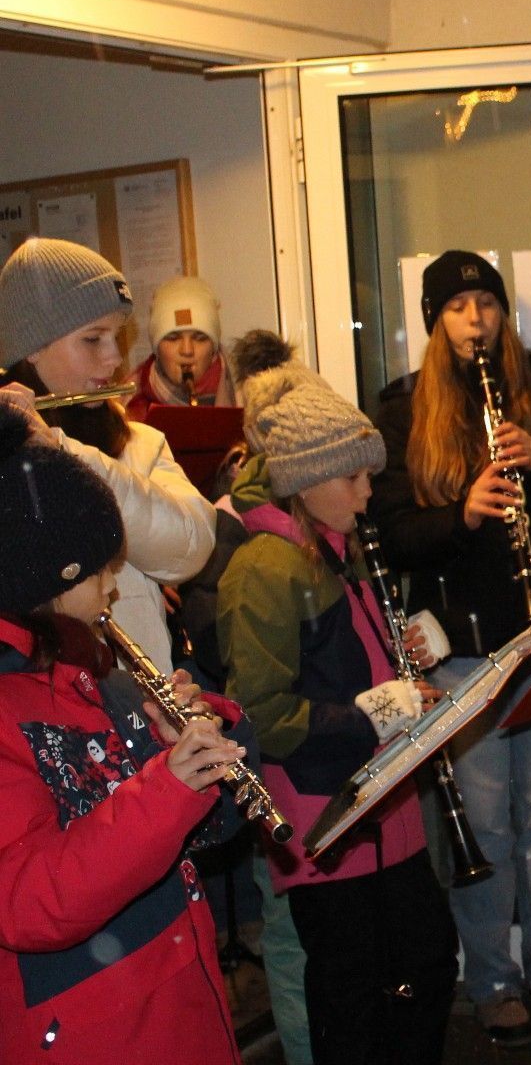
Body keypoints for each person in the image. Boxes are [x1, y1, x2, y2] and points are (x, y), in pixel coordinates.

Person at [370, 249, 531, 1048]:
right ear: (436, 321)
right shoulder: (402, 411)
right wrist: (464, 513)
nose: (476, 320)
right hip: (464, 650)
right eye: (458, 307)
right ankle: (493, 981)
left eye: (488, 303)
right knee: (483, 825)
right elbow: (394, 539)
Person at [218, 350, 458, 1063]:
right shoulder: (265, 566)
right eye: (354, 480)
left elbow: (348, 663)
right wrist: (377, 712)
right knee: (353, 1001)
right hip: (330, 818)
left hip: (385, 808)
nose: (365, 497)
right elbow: (259, 713)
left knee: (425, 967)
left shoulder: (332, 547)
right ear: (307, 477)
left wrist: (401, 656)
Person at [0, 403, 245, 1063]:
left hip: (171, 1001)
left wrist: (170, 747)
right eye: (106, 570)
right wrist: (168, 788)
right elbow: (27, 901)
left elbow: (155, 830)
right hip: (94, 1027)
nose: (115, 589)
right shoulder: (9, 701)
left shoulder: (89, 671)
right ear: (56, 576)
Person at [0, 237, 217, 672]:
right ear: (33, 347)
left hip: (144, 711)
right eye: (93, 339)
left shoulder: (138, 442)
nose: (115, 357)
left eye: (116, 337)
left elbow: (190, 548)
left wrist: (64, 451)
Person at [126, 274, 237, 418]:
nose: (187, 350)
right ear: (157, 349)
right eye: (173, 338)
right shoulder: (127, 404)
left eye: (200, 338)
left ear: (214, 350)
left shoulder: (248, 396)